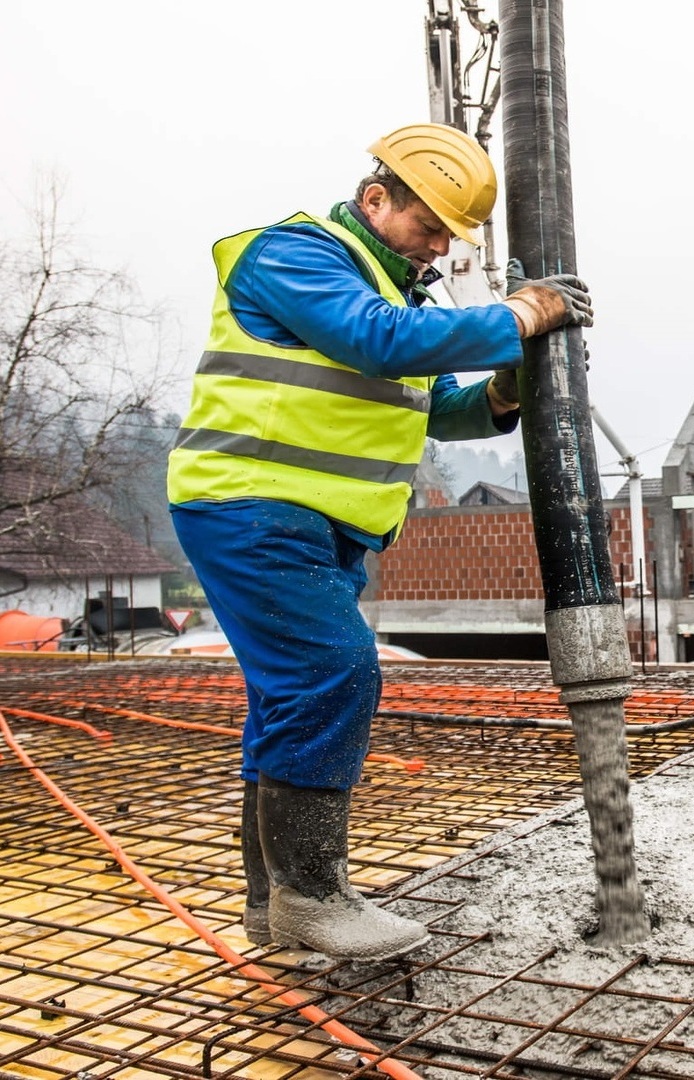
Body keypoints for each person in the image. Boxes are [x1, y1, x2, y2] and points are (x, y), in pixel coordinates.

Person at [167, 123, 593, 962]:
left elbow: (440, 407)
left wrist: (504, 389)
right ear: (375, 200)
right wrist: (516, 314)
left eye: (447, 237)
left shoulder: (401, 301)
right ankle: (312, 898)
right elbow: (374, 342)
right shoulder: (295, 256)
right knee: (333, 672)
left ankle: (273, 905)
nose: (437, 249)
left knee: (288, 695)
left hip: (319, 524)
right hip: (251, 505)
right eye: (427, 227)